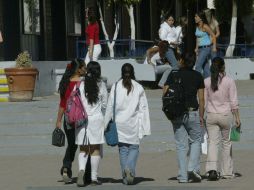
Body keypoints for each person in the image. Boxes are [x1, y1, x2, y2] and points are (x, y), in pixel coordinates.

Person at [104, 63, 151, 185]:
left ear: (122, 72)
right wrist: (145, 128)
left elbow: (109, 107)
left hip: (119, 125)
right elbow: (143, 109)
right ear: (133, 72)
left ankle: (125, 178)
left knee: (123, 150)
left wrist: (105, 125)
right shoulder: (139, 87)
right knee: (134, 148)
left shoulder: (115, 86)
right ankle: (129, 169)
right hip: (133, 124)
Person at [163, 52, 205, 183]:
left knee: (181, 145)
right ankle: (192, 168)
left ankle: (182, 176)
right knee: (196, 140)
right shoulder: (198, 76)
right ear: (194, 62)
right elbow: (202, 99)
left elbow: (165, 92)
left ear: (181, 60)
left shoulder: (174, 74)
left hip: (176, 113)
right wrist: (201, 116)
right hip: (193, 112)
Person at [204, 57, 241, 180]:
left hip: (211, 115)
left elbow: (204, 101)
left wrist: (201, 116)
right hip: (225, 115)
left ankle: (212, 170)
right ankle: (227, 172)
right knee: (226, 143)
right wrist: (237, 118)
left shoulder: (206, 81)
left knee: (212, 143)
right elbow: (234, 102)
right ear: (223, 67)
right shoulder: (229, 81)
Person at [76, 61, 108, 186]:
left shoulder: (80, 84)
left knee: (83, 148)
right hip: (96, 119)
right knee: (95, 149)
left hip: (81, 119)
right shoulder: (101, 85)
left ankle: (81, 170)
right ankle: (94, 178)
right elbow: (105, 104)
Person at [55, 59, 86, 183]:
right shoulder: (83, 82)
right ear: (78, 69)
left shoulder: (65, 83)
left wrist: (58, 120)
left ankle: (66, 169)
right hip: (81, 119)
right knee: (84, 146)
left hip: (68, 119)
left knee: (72, 145)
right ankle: (86, 173)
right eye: (84, 67)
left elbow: (62, 104)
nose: (86, 69)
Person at [158, 14, 180, 87]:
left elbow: (175, 37)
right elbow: (162, 37)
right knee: (175, 65)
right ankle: (165, 82)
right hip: (167, 48)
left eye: (172, 20)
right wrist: (171, 42)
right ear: (166, 20)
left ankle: (166, 82)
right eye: (169, 20)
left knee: (172, 66)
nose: (171, 22)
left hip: (173, 48)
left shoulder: (173, 27)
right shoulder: (164, 27)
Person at [194, 11, 217, 79]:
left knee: (198, 65)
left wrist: (214, 47)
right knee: (205, 67)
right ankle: (209, 81)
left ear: (201, 18)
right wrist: (196, 48)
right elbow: (197, 38)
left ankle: (196, 81)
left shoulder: (205, 26)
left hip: (206, 48)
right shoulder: (197, 26)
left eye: (196, 16)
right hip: (200, 49)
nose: (194, 18)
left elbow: (213, 36)